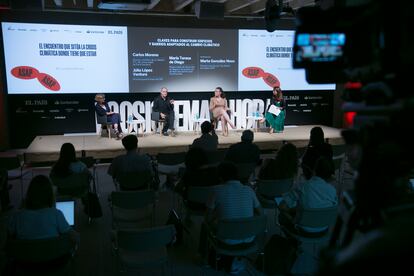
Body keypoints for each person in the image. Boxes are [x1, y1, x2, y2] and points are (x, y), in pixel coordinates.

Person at [199, 161, 262, 273]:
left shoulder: (216, 190)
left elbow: (207, 219)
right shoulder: (249, 190)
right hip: (249, 239)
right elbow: (261, 214)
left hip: (226, 241)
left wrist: (217, 216)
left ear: (220, 176)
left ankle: (204, 258)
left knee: (204, 225)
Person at [7, 175, 78, 240]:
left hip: (25, 253)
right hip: (53, 253)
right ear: (50, 195)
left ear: (29, 194)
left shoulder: (17, 216)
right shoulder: (56, 214)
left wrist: (21, 209)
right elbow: (75, 237)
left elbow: (9, 239)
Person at [278, 157, 337, 234]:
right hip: (323, 229)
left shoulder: (303, 187)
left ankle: (292, 242)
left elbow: (282, 207)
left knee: (282, 216)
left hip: (303, 230)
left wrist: (291, 211)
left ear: (314, 171)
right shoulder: (333, 191)